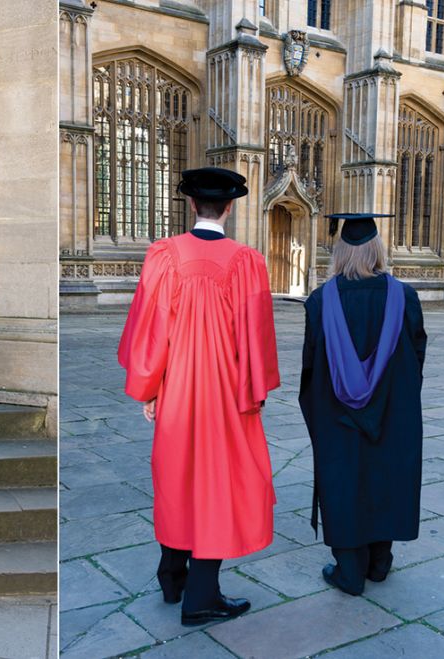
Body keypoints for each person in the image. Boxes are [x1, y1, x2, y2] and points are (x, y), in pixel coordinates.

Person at [118, 167, 280, 626]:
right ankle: (202, 597)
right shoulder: (248, 261)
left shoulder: (163, 255)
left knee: (177, 478)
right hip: (227, 396)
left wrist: (149, 390)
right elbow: (257, 338)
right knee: (217, 486)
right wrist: (255, 392)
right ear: (229, 207)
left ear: (191, 205)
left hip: (177, 391)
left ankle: (173, 579)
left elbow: (151, 330)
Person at [299, 213, 427, 596]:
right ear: (378, 250)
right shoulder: (404, 297)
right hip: (392, 411)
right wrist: (397, 396)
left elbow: (311, 367)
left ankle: (349, 571)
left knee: (344, 480)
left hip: (337, 416)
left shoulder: (322, 302)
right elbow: (416, 352)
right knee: (385, 476)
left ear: (339, 252)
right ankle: (379, 563)